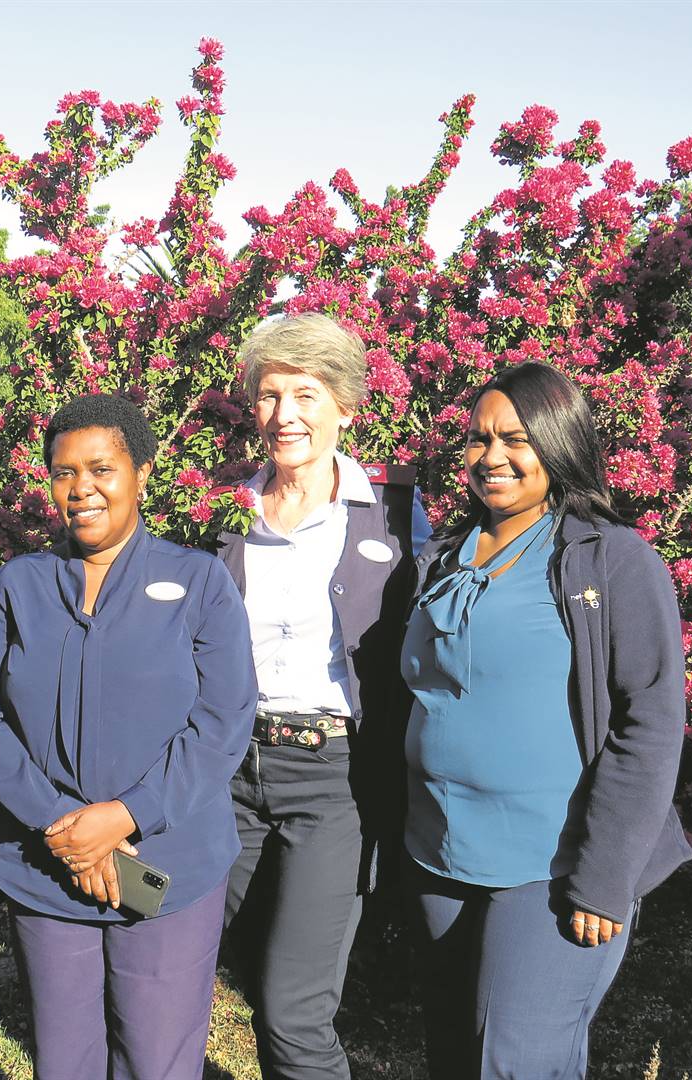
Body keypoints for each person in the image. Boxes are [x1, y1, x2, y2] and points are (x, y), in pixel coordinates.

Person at [402, 361, 692, 1079]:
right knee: (456, 1055)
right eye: (478, 439)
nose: (491, 456)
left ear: (559, 443)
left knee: (517, 1060)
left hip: (552, 865)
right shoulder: (443, 557)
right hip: (440, 852)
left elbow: (650, 723)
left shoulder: (607, 560)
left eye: (515, 439)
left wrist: (606, 876)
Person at [0, 393, 257, 1080]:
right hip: (46, 864)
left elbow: (222, 720)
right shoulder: (17, 587)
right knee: (65, 1061)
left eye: (101, 469)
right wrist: (65, 825)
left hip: (166, 868)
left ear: (142, 473)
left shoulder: (198, 581)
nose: (81, 488)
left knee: (157, 1061)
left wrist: (124, 816)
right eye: (64, 472)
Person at [215, 313, 430, 1080]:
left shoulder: (395, 514)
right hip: (226, 773)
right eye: (270, 395)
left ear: (346, 406)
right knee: (166, 949)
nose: (285, 415)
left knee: (292, 1012)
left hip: (333, 782)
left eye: (306, 394)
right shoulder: (224, 510)